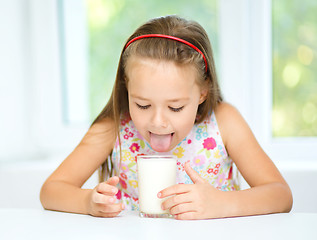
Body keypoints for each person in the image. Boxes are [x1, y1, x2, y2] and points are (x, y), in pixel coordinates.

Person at [40, 15, 293, 220]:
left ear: (203, 92)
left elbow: (281, 195)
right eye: (143, 104)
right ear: (127, 88)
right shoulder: (114, 126)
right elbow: (51, 191)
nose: (158, 121)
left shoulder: (224, 121)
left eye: (175, 108)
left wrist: (222, 204)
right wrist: (87, 202)